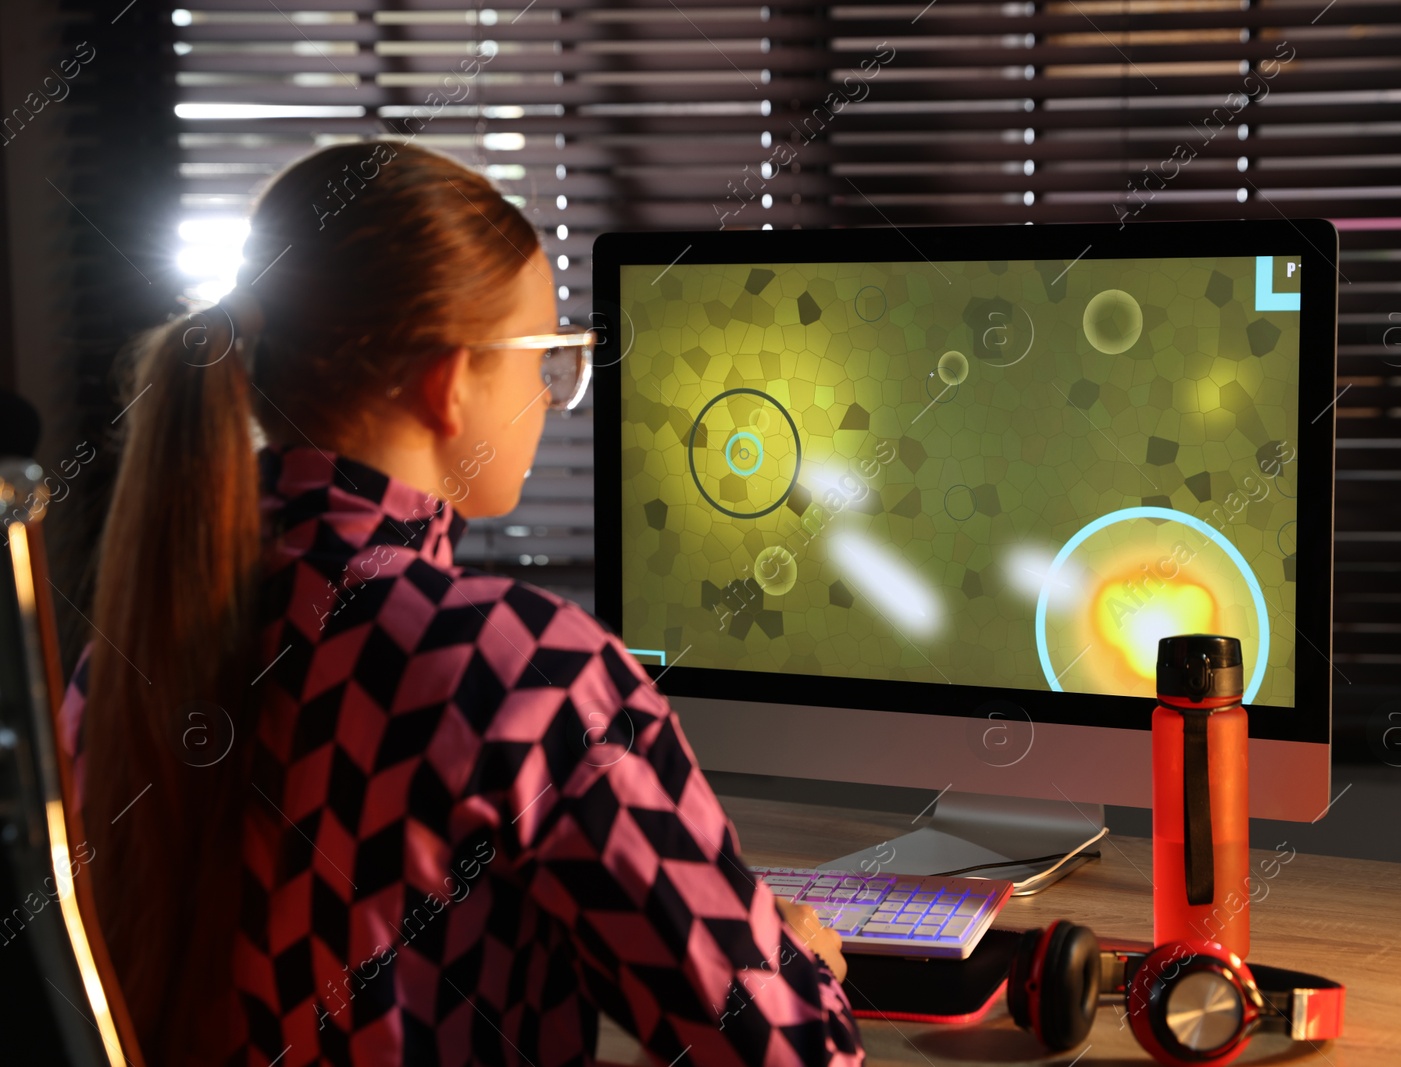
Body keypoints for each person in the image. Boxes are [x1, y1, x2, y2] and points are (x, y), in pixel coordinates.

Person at [58, 141, 862, 1067]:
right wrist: (789, 962)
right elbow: (792, 1058)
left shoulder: (124, 656)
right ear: (450, 383)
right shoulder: (524, 669)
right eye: (545, 357)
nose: (555, 394)